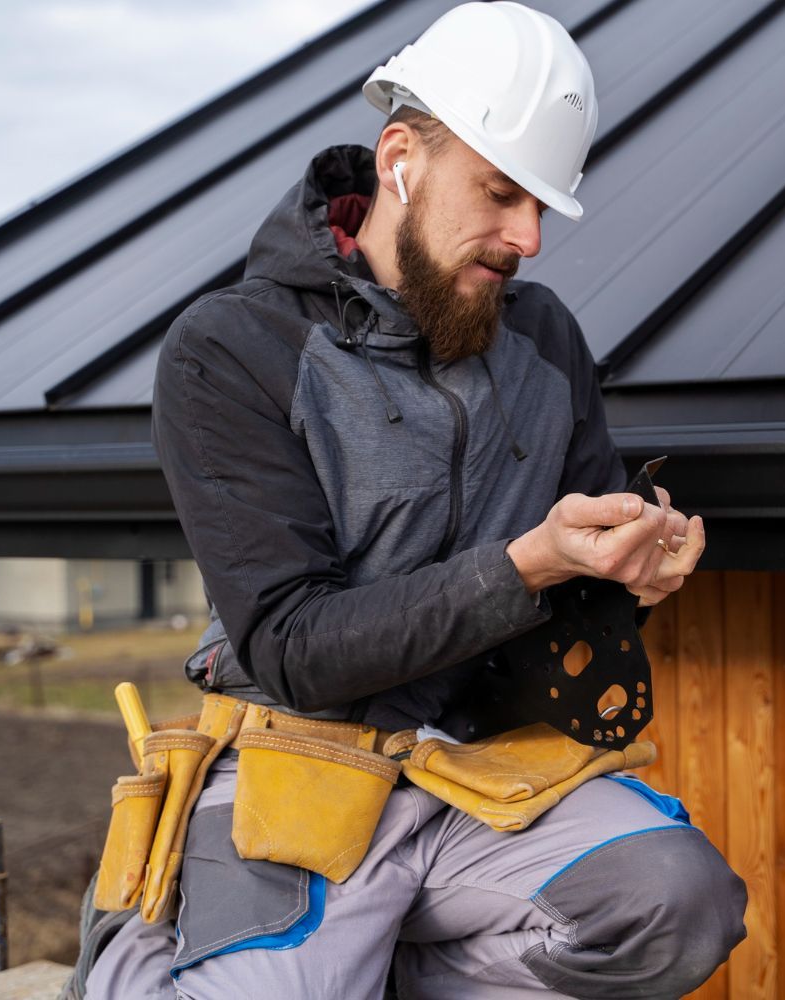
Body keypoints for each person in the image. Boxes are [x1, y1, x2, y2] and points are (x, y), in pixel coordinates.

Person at [71, 4, 746, 998]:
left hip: (473, 773)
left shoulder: (545, 340)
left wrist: (631, 560)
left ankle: (373, 963)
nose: (529, 239)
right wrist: (534, 561)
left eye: (542, 208)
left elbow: (575, 561)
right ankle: (135, 957)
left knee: (679, 904)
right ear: (401, 159)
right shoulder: (233, 350)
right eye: (502, 193)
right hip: (295, 765)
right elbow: (297, 649)